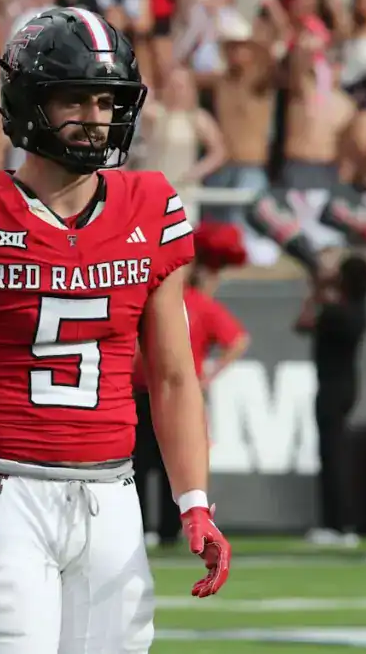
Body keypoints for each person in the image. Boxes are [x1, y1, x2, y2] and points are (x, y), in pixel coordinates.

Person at [0, 8, 230, 654]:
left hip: (114, 493)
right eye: (73, 96)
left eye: (106, 99)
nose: (95, 115)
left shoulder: (151, 205)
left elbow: (173, 374)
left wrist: (195, 499)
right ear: (27, 100)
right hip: (5, 491)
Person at [133, 222, 249, 548]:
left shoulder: (191, 302)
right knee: (144, 465)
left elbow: (237, 339)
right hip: (145, 391)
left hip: (171, 392)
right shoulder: (170, 299)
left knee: (170, 464)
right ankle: (150, 529)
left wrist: (208, 375)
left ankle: (170, 530)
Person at [294, 251, 366, 547]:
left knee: (332, 456)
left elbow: (303, 322)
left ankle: (336, 525)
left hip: (332, 388)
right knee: (334, 454)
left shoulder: (339, 311)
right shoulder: (357, 309)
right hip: (344, 386)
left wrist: (316, 288)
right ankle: (339, 523)